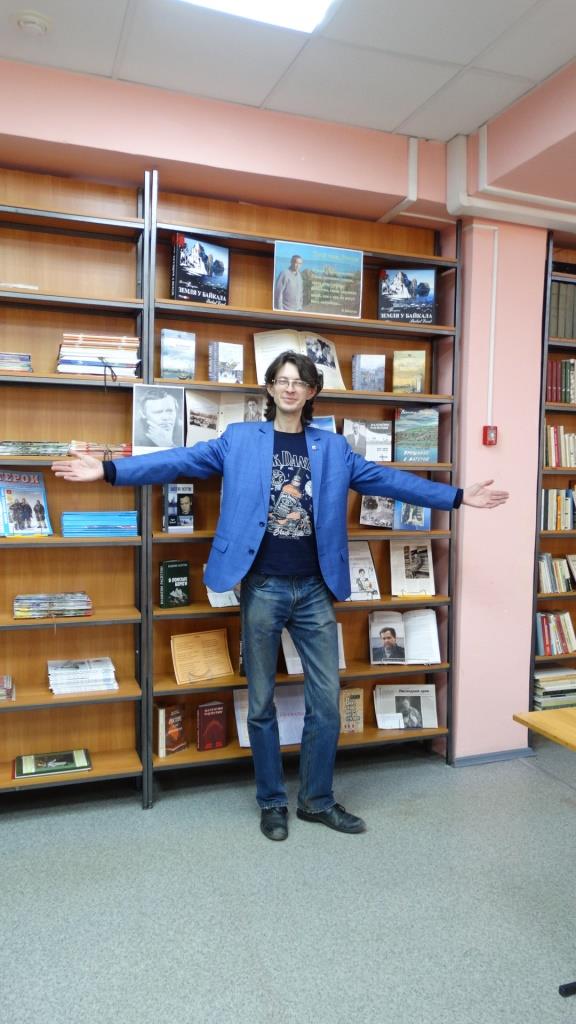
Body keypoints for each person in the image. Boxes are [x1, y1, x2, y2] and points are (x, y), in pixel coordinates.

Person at [51, 350, 509, 842]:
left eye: (300, 382)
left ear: (311, 392)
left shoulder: (334, 448)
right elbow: (178, 460)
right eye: (282, 380)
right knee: (261, 703)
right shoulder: (239, 439)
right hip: (263, 586)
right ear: (270, 388)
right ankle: (271, 801)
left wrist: (457, 497)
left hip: (315, 589)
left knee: (326, 703)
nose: (290, 388)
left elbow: (388, 480)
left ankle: (316, 800)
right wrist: (111, 470)